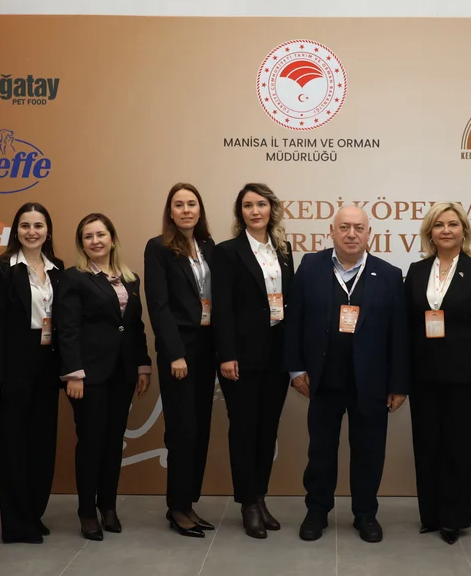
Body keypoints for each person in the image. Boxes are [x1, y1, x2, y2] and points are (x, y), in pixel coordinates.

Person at [287, 206, 409, 544]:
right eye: (344, 227)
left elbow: (399, 334)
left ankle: (365, 513)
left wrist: (399, 384)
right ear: (332, 231)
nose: (351, 234)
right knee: (320, 451)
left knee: (369, 451)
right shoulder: (310, 266)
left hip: (371, 382)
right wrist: (296, 369)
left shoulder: (389, 274)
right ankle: (317, 511)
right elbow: (294, 321)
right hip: (322, 379)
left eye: (358, 227)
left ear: (369, 234)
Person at [405, 202, 471, 545]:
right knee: (427, 445)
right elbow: (407, 325)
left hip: (465, 378)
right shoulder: (416, 271)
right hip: (423, 376)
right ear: (430, 232)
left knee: (460, 449)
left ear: (464, 231)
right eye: (439, 224)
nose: (446, 230)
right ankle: (430, 515)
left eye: (453, 224)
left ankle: (454, 518)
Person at [57, 213, 152, 540]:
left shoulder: (130, 278)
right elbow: (67, 328)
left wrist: (142, 365)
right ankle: (87, 511)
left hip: (123, 373)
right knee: (91, 443)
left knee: (113, 443)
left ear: (112, 239)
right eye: (88, 236)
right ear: (81, 244)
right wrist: (73, 374)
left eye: (101, 234)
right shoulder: (74, 278)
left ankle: (108, 506)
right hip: (87, 376)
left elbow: (135, 326)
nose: (95, 241)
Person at [213, 183, 295, 539]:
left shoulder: (284, 250)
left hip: (277, 354)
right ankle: (247, 503)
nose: (255, 211)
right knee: (244, 430)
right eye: (248, 205)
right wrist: (227, 354)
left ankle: (260, 498)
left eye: (261, 204)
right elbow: (222, 308)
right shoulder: (227, 252)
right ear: (240, 213)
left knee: (267, 430)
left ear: (271, 209)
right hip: (242, 357)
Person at [0, 202, 63, 544]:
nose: (32, 232)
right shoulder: (1, 269)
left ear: (48, 231)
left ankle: (33, 513)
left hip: (47, 363)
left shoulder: (57, 268)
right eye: (25, 225)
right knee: (11, 445)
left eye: (38, 225)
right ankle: (15, 524)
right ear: (16, 231)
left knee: (42, 443)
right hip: (12, 364)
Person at [145, 183, 218, 538]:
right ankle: (176, 507)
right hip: (179, 353)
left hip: (207, 350)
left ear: (199, 210)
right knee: (181, 430)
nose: (186, 210)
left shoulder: (208, 247)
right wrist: (175, 353)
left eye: (192, 203)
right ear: (170, 212)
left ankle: (188, 502)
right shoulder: (158, 248)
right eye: (179, 204)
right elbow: (159, 306)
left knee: (200, 429)